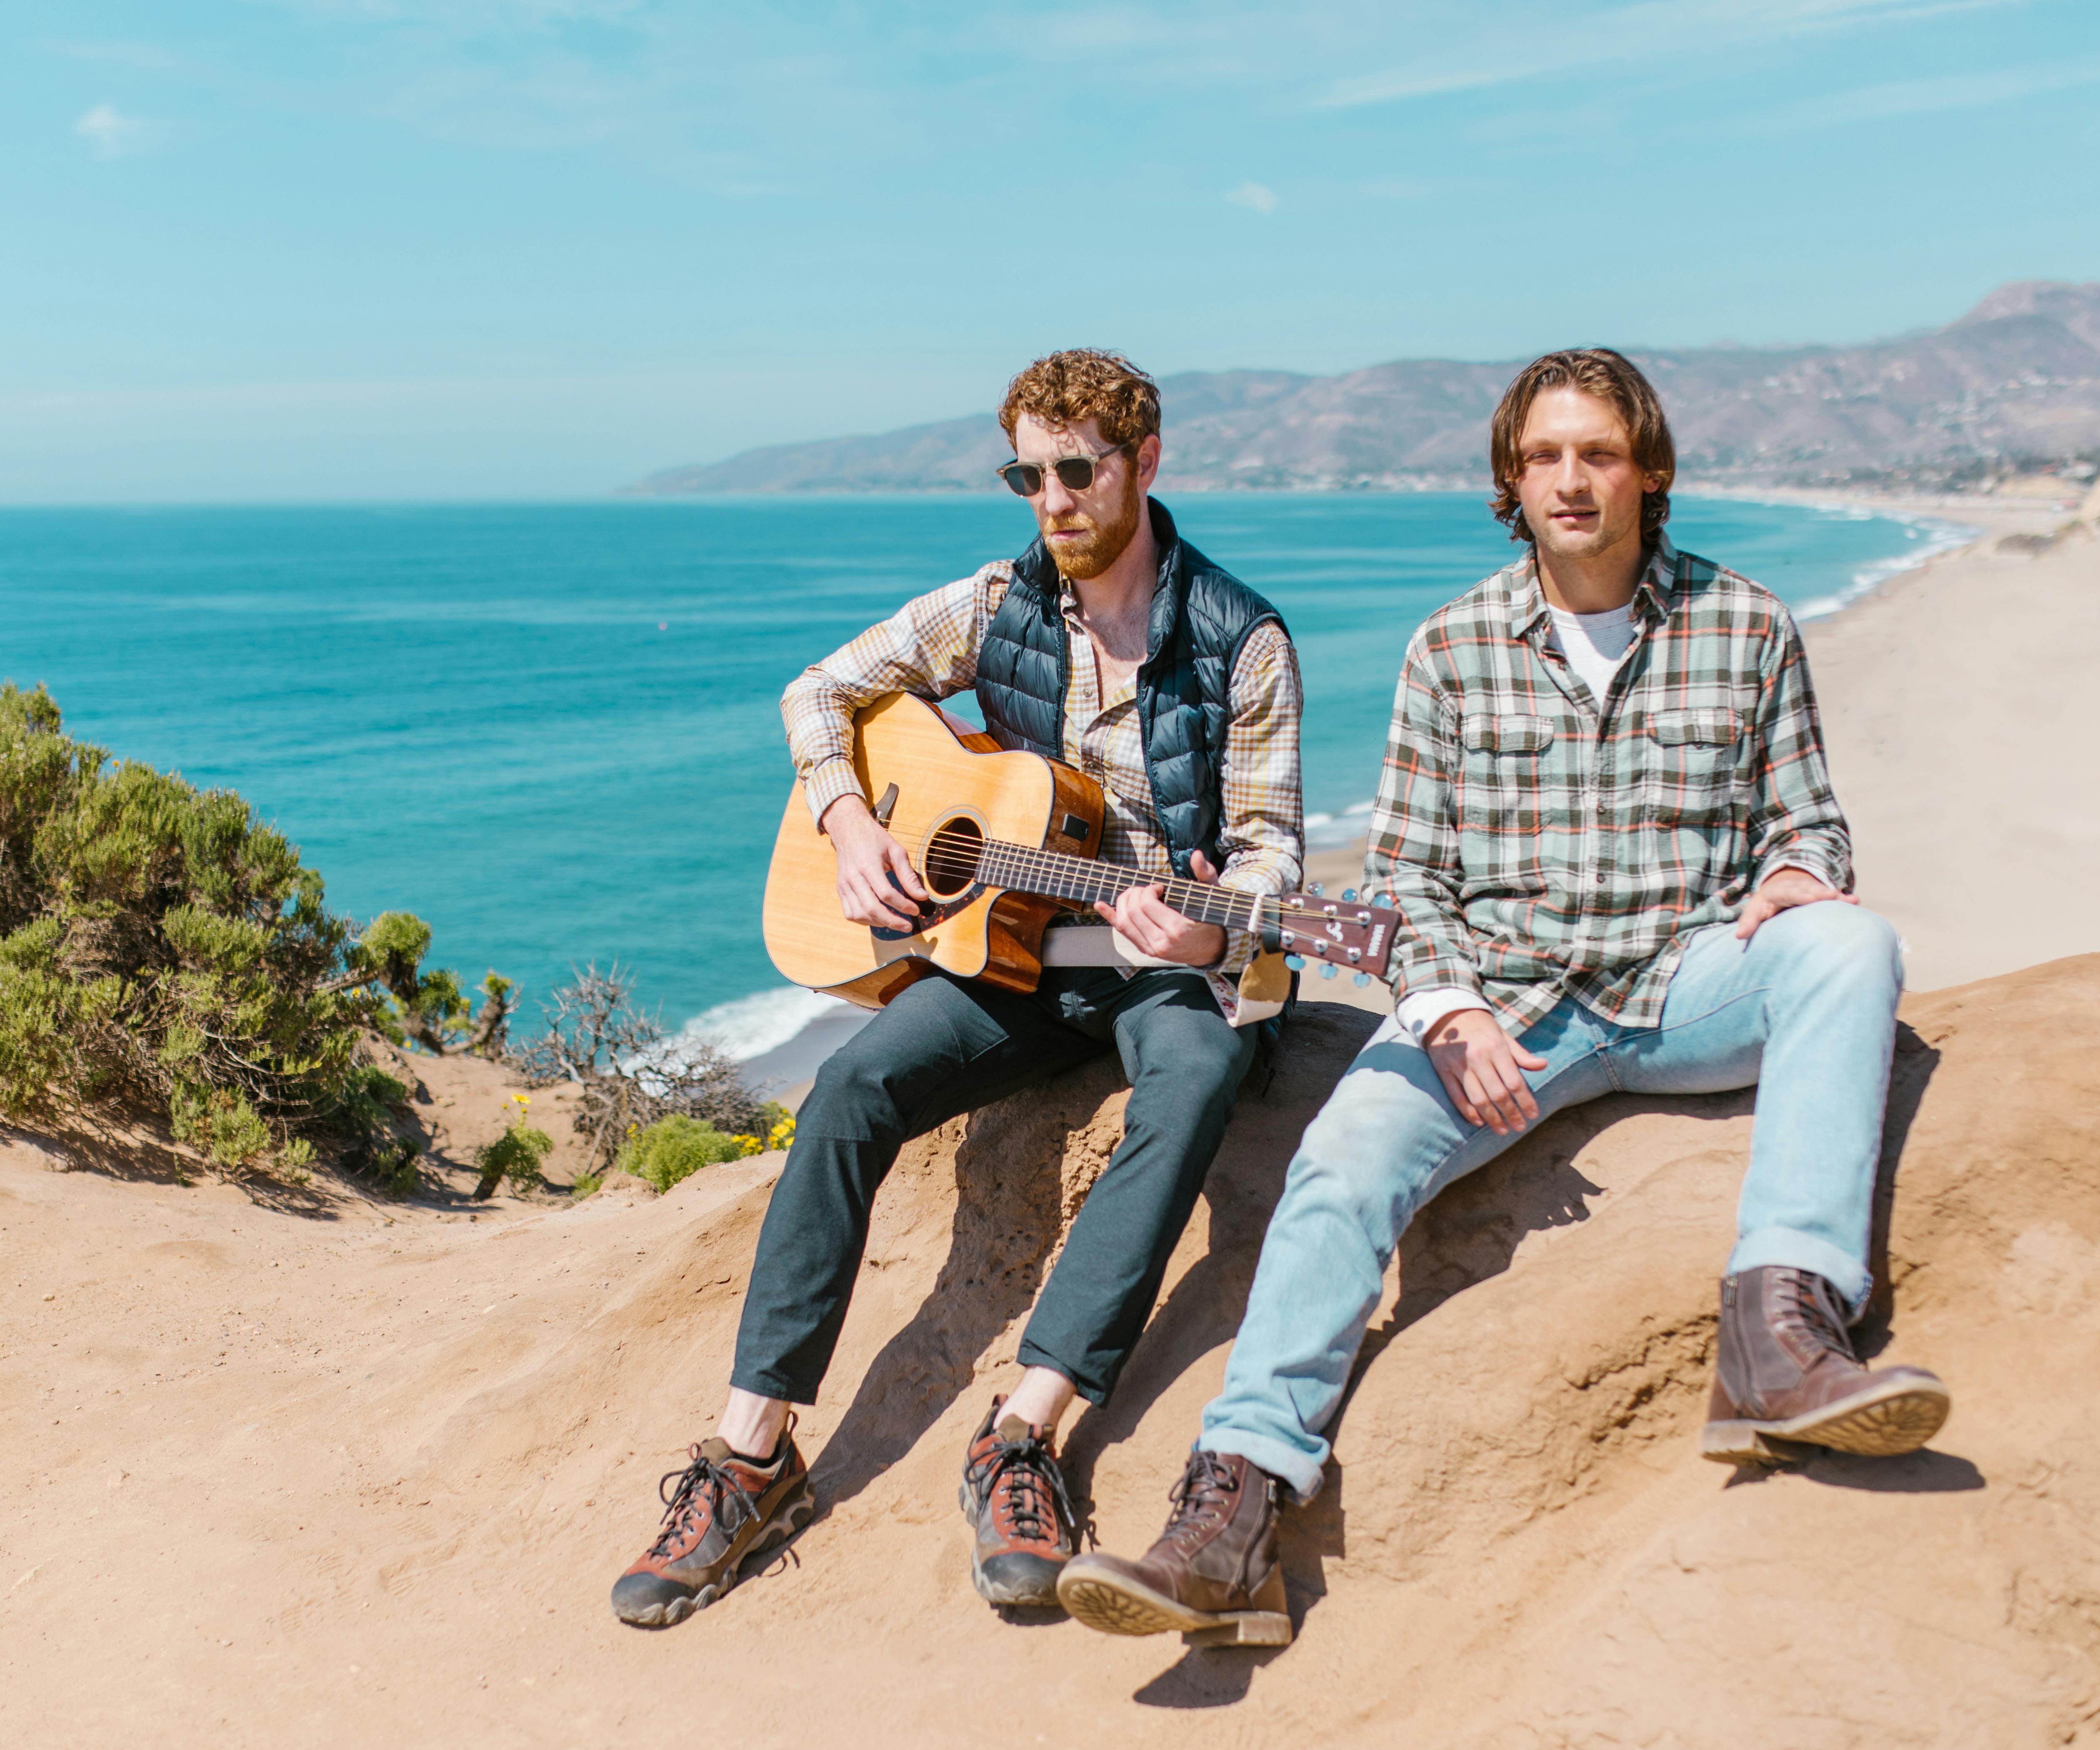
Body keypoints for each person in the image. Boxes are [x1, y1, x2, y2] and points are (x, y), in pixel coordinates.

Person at [1056, 348, 1950, 1645]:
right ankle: (1234, 1514)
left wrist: (1803, 872)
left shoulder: (1747, 623)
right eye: (1544, 457)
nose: (1571, 480)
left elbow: (1810, 821)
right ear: (1510, 481)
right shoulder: (1453, 647)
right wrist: (1453, 1011)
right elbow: (1407, 875)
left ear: (1650, 472)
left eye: (1598, 454)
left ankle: (1781, 1329)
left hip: (1686, 980)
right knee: (1340, 1160)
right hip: (1507, 1005)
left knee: (1851, 946)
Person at [611, 348, 1306, 1628]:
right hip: (1015, 954)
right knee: (844, 1089)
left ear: (1145, 465)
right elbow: (818, 690)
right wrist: (847, 823)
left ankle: (1022, 1434)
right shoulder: (995, 601)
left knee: (1201, 1070)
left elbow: (1270, 860)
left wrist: (1207, 937)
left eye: (1077, 470)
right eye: (1026, 474)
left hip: (1160, 964)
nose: (1050, 499)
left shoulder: (1241, 640)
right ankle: (751, 1455)